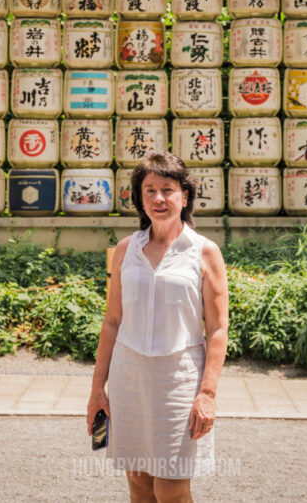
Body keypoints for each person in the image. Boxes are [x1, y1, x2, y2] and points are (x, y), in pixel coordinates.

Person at [87, 151, 229, 502]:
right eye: (149, 190)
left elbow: (217, 329)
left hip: (178, 380)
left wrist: (207, 394)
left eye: (167, 189)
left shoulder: (204, 251)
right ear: (139, 198)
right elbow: (112, 322)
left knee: (171, 485)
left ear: (184, 196)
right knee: (138, 481)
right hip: (128, 377)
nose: (158, 199)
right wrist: (96, 391)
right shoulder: (124, 250)